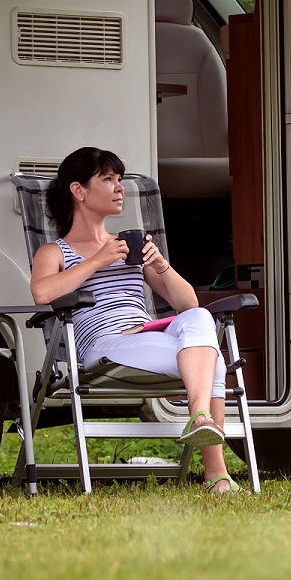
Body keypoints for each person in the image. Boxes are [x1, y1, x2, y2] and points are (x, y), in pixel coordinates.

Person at [28, 146, 240, 494]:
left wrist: (160, 265)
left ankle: (199, 416)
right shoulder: (54, 251)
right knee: (212, 361)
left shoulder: (128, 247)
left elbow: (187, 303)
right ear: (78, 191)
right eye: (108, 179)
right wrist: (96, 261)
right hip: (107, 347)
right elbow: (43, 293)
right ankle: (216, 474)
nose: (119, 187)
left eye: (120, 179)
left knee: (200, 318)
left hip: (152, 335)